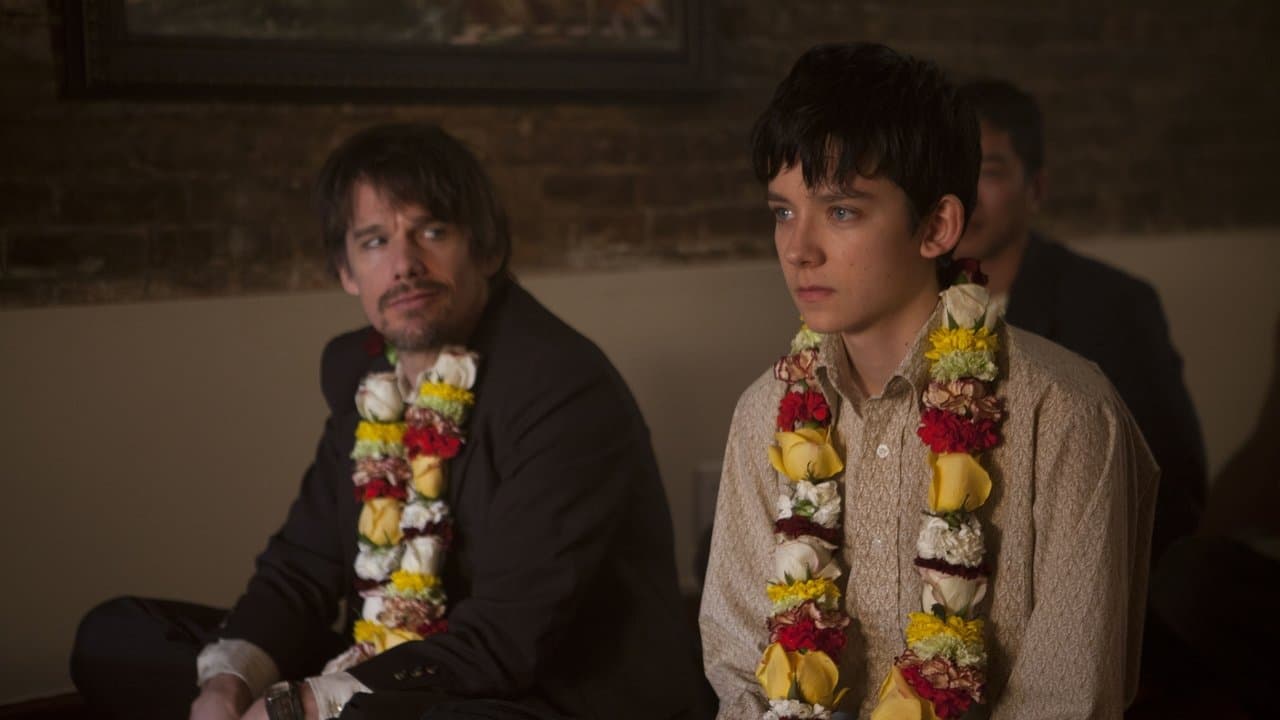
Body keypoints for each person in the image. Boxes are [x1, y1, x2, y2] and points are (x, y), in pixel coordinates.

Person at [71, 123, 707, 720]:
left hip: (543, 694)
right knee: (117, 637)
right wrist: (227, 687)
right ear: (347, 272)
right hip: (391, 662)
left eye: (432, 231)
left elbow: (506, 639)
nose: (404, 264)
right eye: (375, 241)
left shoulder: (561, 386)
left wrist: (300, 706)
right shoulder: (362, 371)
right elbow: (300, 568)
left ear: (486, 249)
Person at [699, 42, 1157, 718]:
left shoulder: (1064, 413)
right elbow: (740, 669)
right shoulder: (765, 412)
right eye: (783, 212)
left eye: (842, 211)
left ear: (938, 226)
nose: (798, 249)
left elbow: (1066, 700)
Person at [954, 79, 1206, 568]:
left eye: (988, 172)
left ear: (1036, 188)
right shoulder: (916, 302)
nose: (967, 195)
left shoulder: (1112, 305)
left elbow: (1174, 488)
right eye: (949, 170)